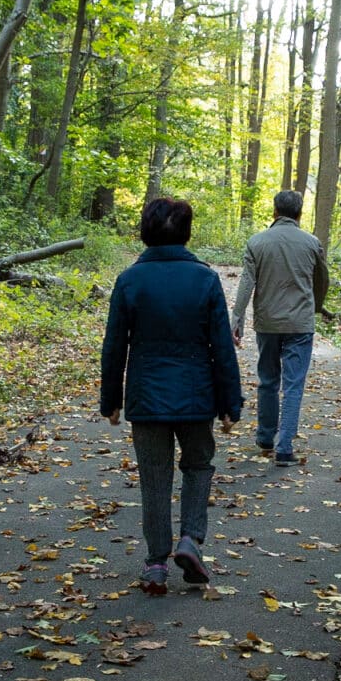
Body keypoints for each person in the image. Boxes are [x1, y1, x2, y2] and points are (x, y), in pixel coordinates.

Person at [100, 197, 242, 596]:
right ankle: (190, 541)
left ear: (145, 231)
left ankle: (156, 563)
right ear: (187, 232)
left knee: (155, 478)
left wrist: (110, 399)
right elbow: (221, 347)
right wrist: (231, 404)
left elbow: (115, 346)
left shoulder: (130, 280)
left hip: (146, 397)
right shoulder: (205, 279)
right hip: (197, 395)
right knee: (198, 466)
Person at [231, 189, 329, 466]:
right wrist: (316, 306)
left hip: (267, 322)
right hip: (300, 323)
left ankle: (264, 437)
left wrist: (236, 318)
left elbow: (247, 283)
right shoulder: (312, 243)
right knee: (294, 385)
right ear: (299, 213)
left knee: (268, 380)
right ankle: (284, 447)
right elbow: (322, 281)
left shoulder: (257, 242)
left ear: (274, 212)